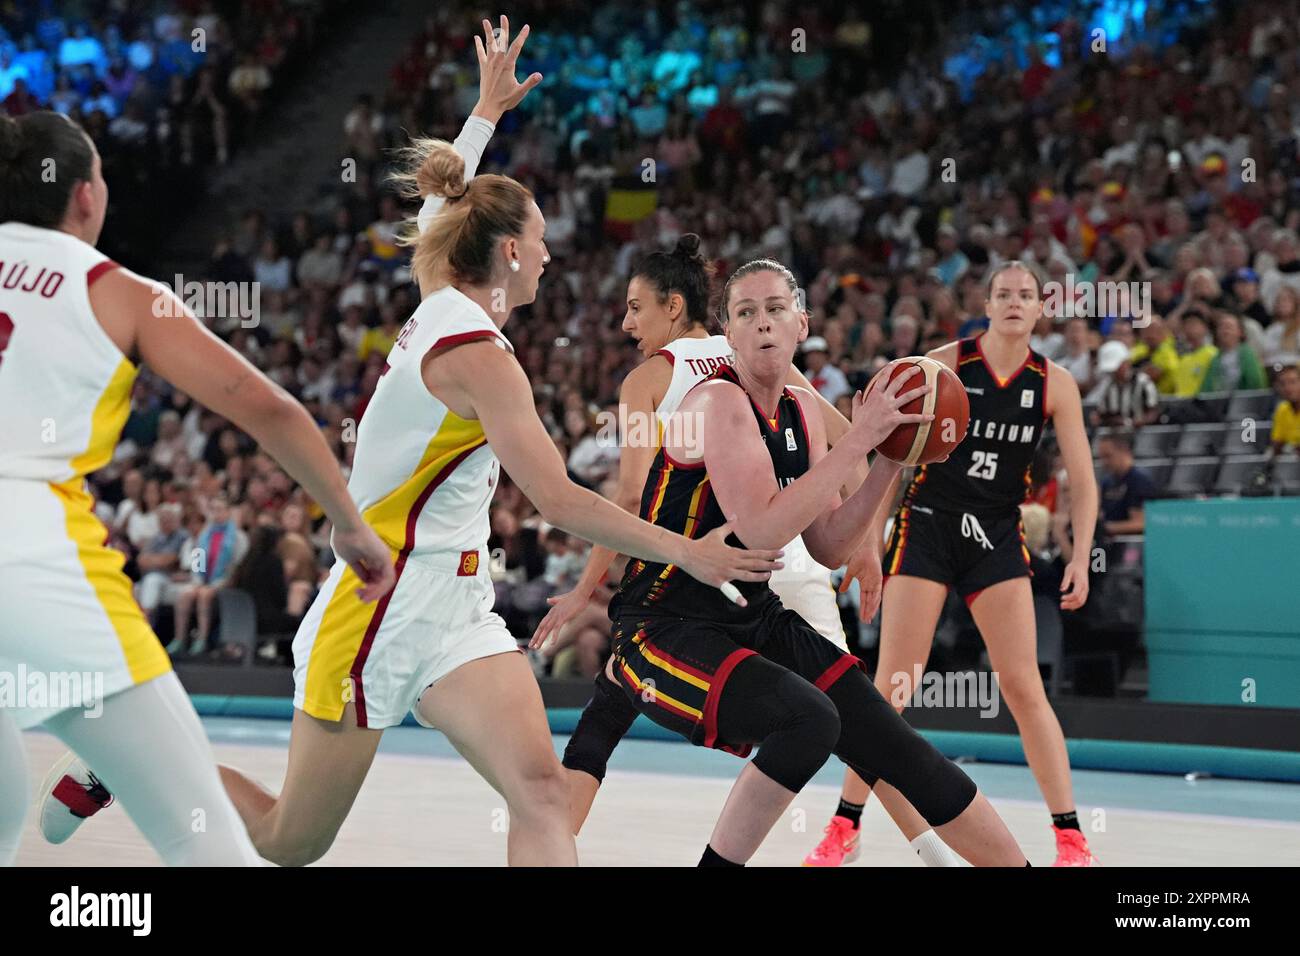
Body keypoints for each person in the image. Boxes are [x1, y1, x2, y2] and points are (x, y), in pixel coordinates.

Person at [42, 18, 779, 869]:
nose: (548, 254)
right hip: (381, 602)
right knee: (291, 840)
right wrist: (689, 552)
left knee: (541, 792)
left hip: (458, 607)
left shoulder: (442, 284)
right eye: (538, 239)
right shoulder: (477, 356)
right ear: (508, 251)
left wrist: (485, 115)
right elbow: (558, 499)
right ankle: (122, 763)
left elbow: (439, 208)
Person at [2, 110, 396, 866]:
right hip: (32, 559)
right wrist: (347, 522)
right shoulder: (114, 290)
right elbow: (266, 407)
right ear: (86, 197)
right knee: (202, 840)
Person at [562, 258, 1028, 866]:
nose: (762, 324)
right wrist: (861, 437)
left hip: (752, 615)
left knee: (896, 743)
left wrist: (889, 457)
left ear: (801, 323)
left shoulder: (804, 413)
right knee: (809, 720)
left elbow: (826, 544)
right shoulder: (716, 402)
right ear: (727, 333)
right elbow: (761, 528)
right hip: (663, 626)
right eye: (746, 313)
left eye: (775, 309)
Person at [530, 236, 888, 849]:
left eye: (636, 308)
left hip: (714, 579)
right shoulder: (762, 341)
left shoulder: (649, 380)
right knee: (864, 730)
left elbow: (632, 500)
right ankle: (877, 836)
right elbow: (849, 437)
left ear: (674, 307)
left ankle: (547, 853)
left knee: (615, 705)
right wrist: (867, 546)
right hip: (793, 560)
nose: (626, 323)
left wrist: (584, 590)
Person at [824, 261, 1103, 867]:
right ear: (988, 302)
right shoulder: (945, 363)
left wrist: (1081, 555)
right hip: (928, 525)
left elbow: (1082, 478)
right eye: (1003, 293)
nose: (1012, 302)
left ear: (1038, 309)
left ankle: (1071, 837)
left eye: (1024, 294)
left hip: (997, 533)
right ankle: (845, 826)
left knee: (1024, 687)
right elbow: (891, 459)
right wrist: (869, 544)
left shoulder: (1054, 384)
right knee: (894, 685)